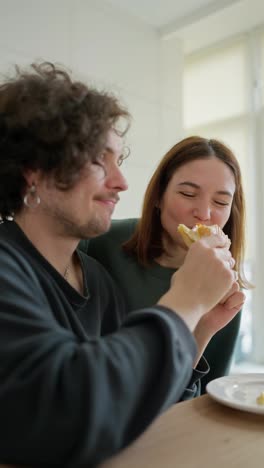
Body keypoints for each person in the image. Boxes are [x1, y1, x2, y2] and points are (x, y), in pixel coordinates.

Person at [0, 62, 240, 468]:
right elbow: (67, 414)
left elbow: (139, 408)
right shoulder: (7, 269)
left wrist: (201, 327)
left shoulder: (97, 280)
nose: (122, 182)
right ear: (33, 172)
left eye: (119, 160)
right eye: (99, 160)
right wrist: (185, 298)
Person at [85, 136, 249, 392]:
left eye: (220, 202)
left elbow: (206, 396)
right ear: (159, 197)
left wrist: (203, 329)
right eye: (187, 193)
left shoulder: (224, 286)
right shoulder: (100, 243)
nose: (204, 214)